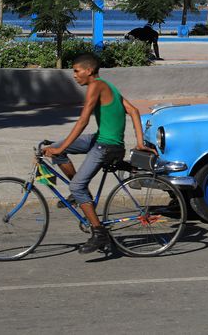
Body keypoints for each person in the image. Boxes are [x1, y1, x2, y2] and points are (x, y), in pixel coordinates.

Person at [43, 53, 152, 254]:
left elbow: (83, 120)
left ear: (89, 70)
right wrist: (139, 142)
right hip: (99, 139)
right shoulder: (109, 86)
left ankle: (99, 232)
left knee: (75, 183)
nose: (74, 75)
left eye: (76, 71)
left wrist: (60, 148)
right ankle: (81, 194)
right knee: (54, 150)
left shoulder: (96, 86)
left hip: (107, 146)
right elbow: (134, 111)